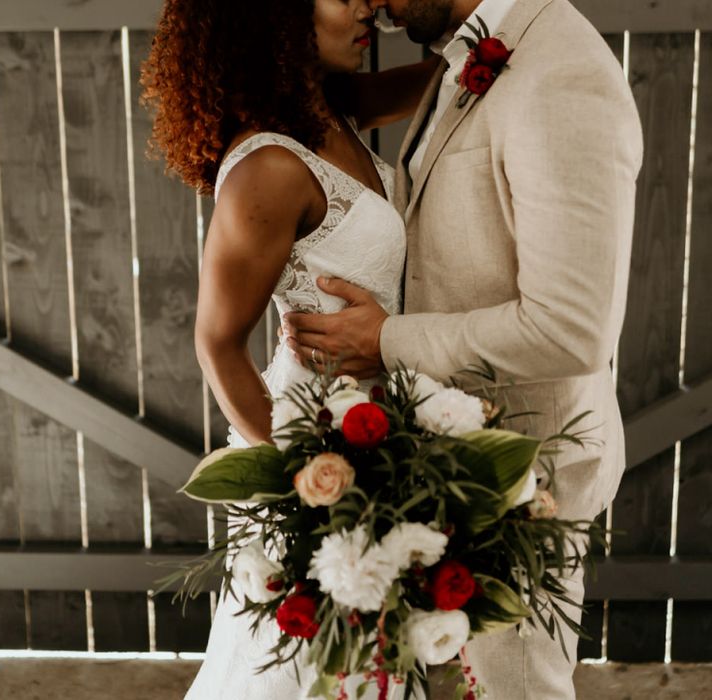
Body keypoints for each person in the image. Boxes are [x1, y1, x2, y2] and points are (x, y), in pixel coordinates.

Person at [285, 0, 644, 697]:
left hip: (522, 469)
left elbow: (569, 326)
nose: (372, 3)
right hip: (457, 456)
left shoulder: (561, 75)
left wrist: (386, 340)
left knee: (517, 688)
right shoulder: (477, 51)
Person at [141, 0, 437, 697]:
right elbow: (216, 342)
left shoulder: (331, 111)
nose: (366, 5)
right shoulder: (269, 167)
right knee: (314, 665)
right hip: (318, 448)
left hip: (382, 429)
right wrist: (302, 481)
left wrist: (495, 45)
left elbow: (441, 83)